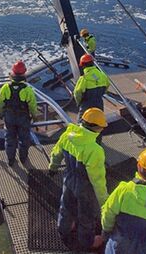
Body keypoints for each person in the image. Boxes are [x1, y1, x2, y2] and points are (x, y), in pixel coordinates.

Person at [49, 107, 108, 251]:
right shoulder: (95, 150)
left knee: (66, 206)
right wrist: (104, 202)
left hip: (68, 179)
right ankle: (87, 242)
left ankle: (63, 228)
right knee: (86, 216)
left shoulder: (67, 134)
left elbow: (56, 153)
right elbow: (97, 180)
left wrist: (53, 167)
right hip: (85, 188)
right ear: (96, 128)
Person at [0, 60, 37, 166]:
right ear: (24, 73)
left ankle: (10, 159)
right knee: (24, 139)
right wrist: (34, 116)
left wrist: (1, 113)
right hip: (23, 118)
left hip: (9, 117)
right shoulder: (28, 89)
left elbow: (0, 102)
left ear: (12, 73)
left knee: (10, 138)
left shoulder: (5, 87)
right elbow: (32, 105)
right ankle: (23, 158)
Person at [74, 53, 110, 119]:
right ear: (93, 63)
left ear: (83, 66)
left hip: (87, 104)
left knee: (82, 119)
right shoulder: (102, 75)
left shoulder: (84, 78)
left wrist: (79, 102)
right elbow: (107, 84)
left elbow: (77, 92)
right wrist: (102, 93)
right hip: (99, 102)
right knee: (99, 118)